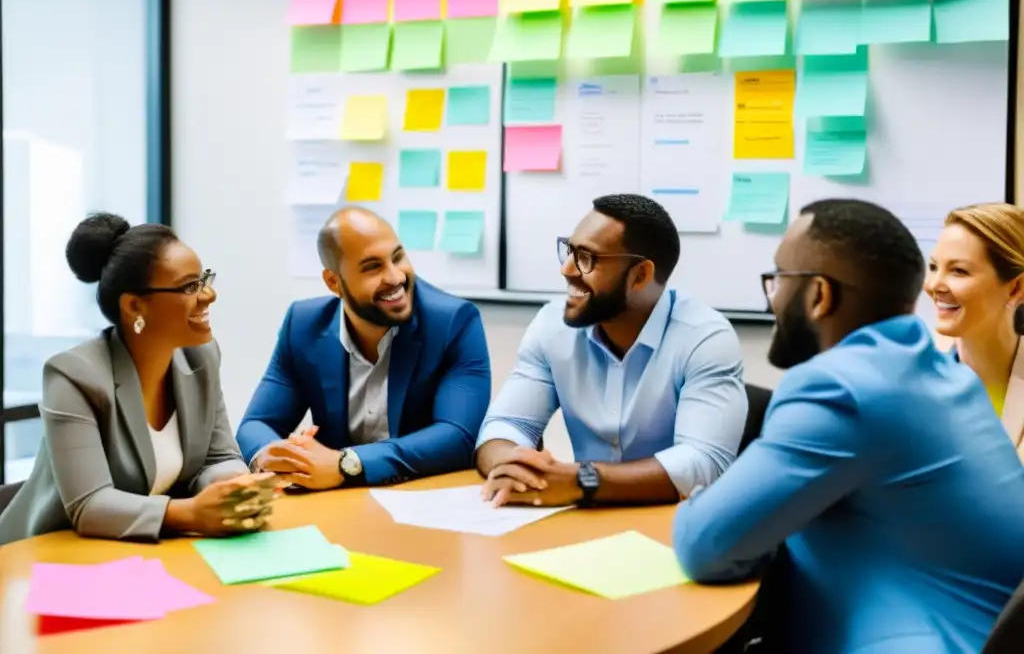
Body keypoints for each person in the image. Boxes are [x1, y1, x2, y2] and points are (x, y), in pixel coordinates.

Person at [672, 199, 1024, 654]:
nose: (773, 296)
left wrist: (708, 506)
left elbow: (705, 546)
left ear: (820, 294)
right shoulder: (941, 375)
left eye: (779, 279)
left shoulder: (841, 388)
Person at [0, 213, 274, 546]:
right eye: (190, 286)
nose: (208, 295)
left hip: (137, 551)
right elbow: (91, 505)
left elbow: (218, 457)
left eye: (204, 278)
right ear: (134, 306)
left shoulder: (201, 357)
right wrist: (191, 513)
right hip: (50, 555)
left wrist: (235, 487)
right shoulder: (73, 375)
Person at [475, 194, 747, 508]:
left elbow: (702, 463)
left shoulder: (704, 337)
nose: (566, 269)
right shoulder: (552, 326)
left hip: (673, 527)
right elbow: (507, 424)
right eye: (569, 250)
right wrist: (512, 465)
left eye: (587, 258)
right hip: (583, 525)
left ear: (641, 275)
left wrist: (582, 481)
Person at [236, 207, 491, 489]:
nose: (395, 277)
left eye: (397, 257)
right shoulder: (303, 325)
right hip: (337, 503)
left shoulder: (453, 322)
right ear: (334, 282)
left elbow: (457, 436)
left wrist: (348, 463)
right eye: (373, 267)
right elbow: (255, 425)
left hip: (421, 497)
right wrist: (279, 456)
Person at [924, 203, 1024, 457]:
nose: (934, 285)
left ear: (1016, 288)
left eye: (958, 271)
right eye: (934, 267)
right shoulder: (910, 374)